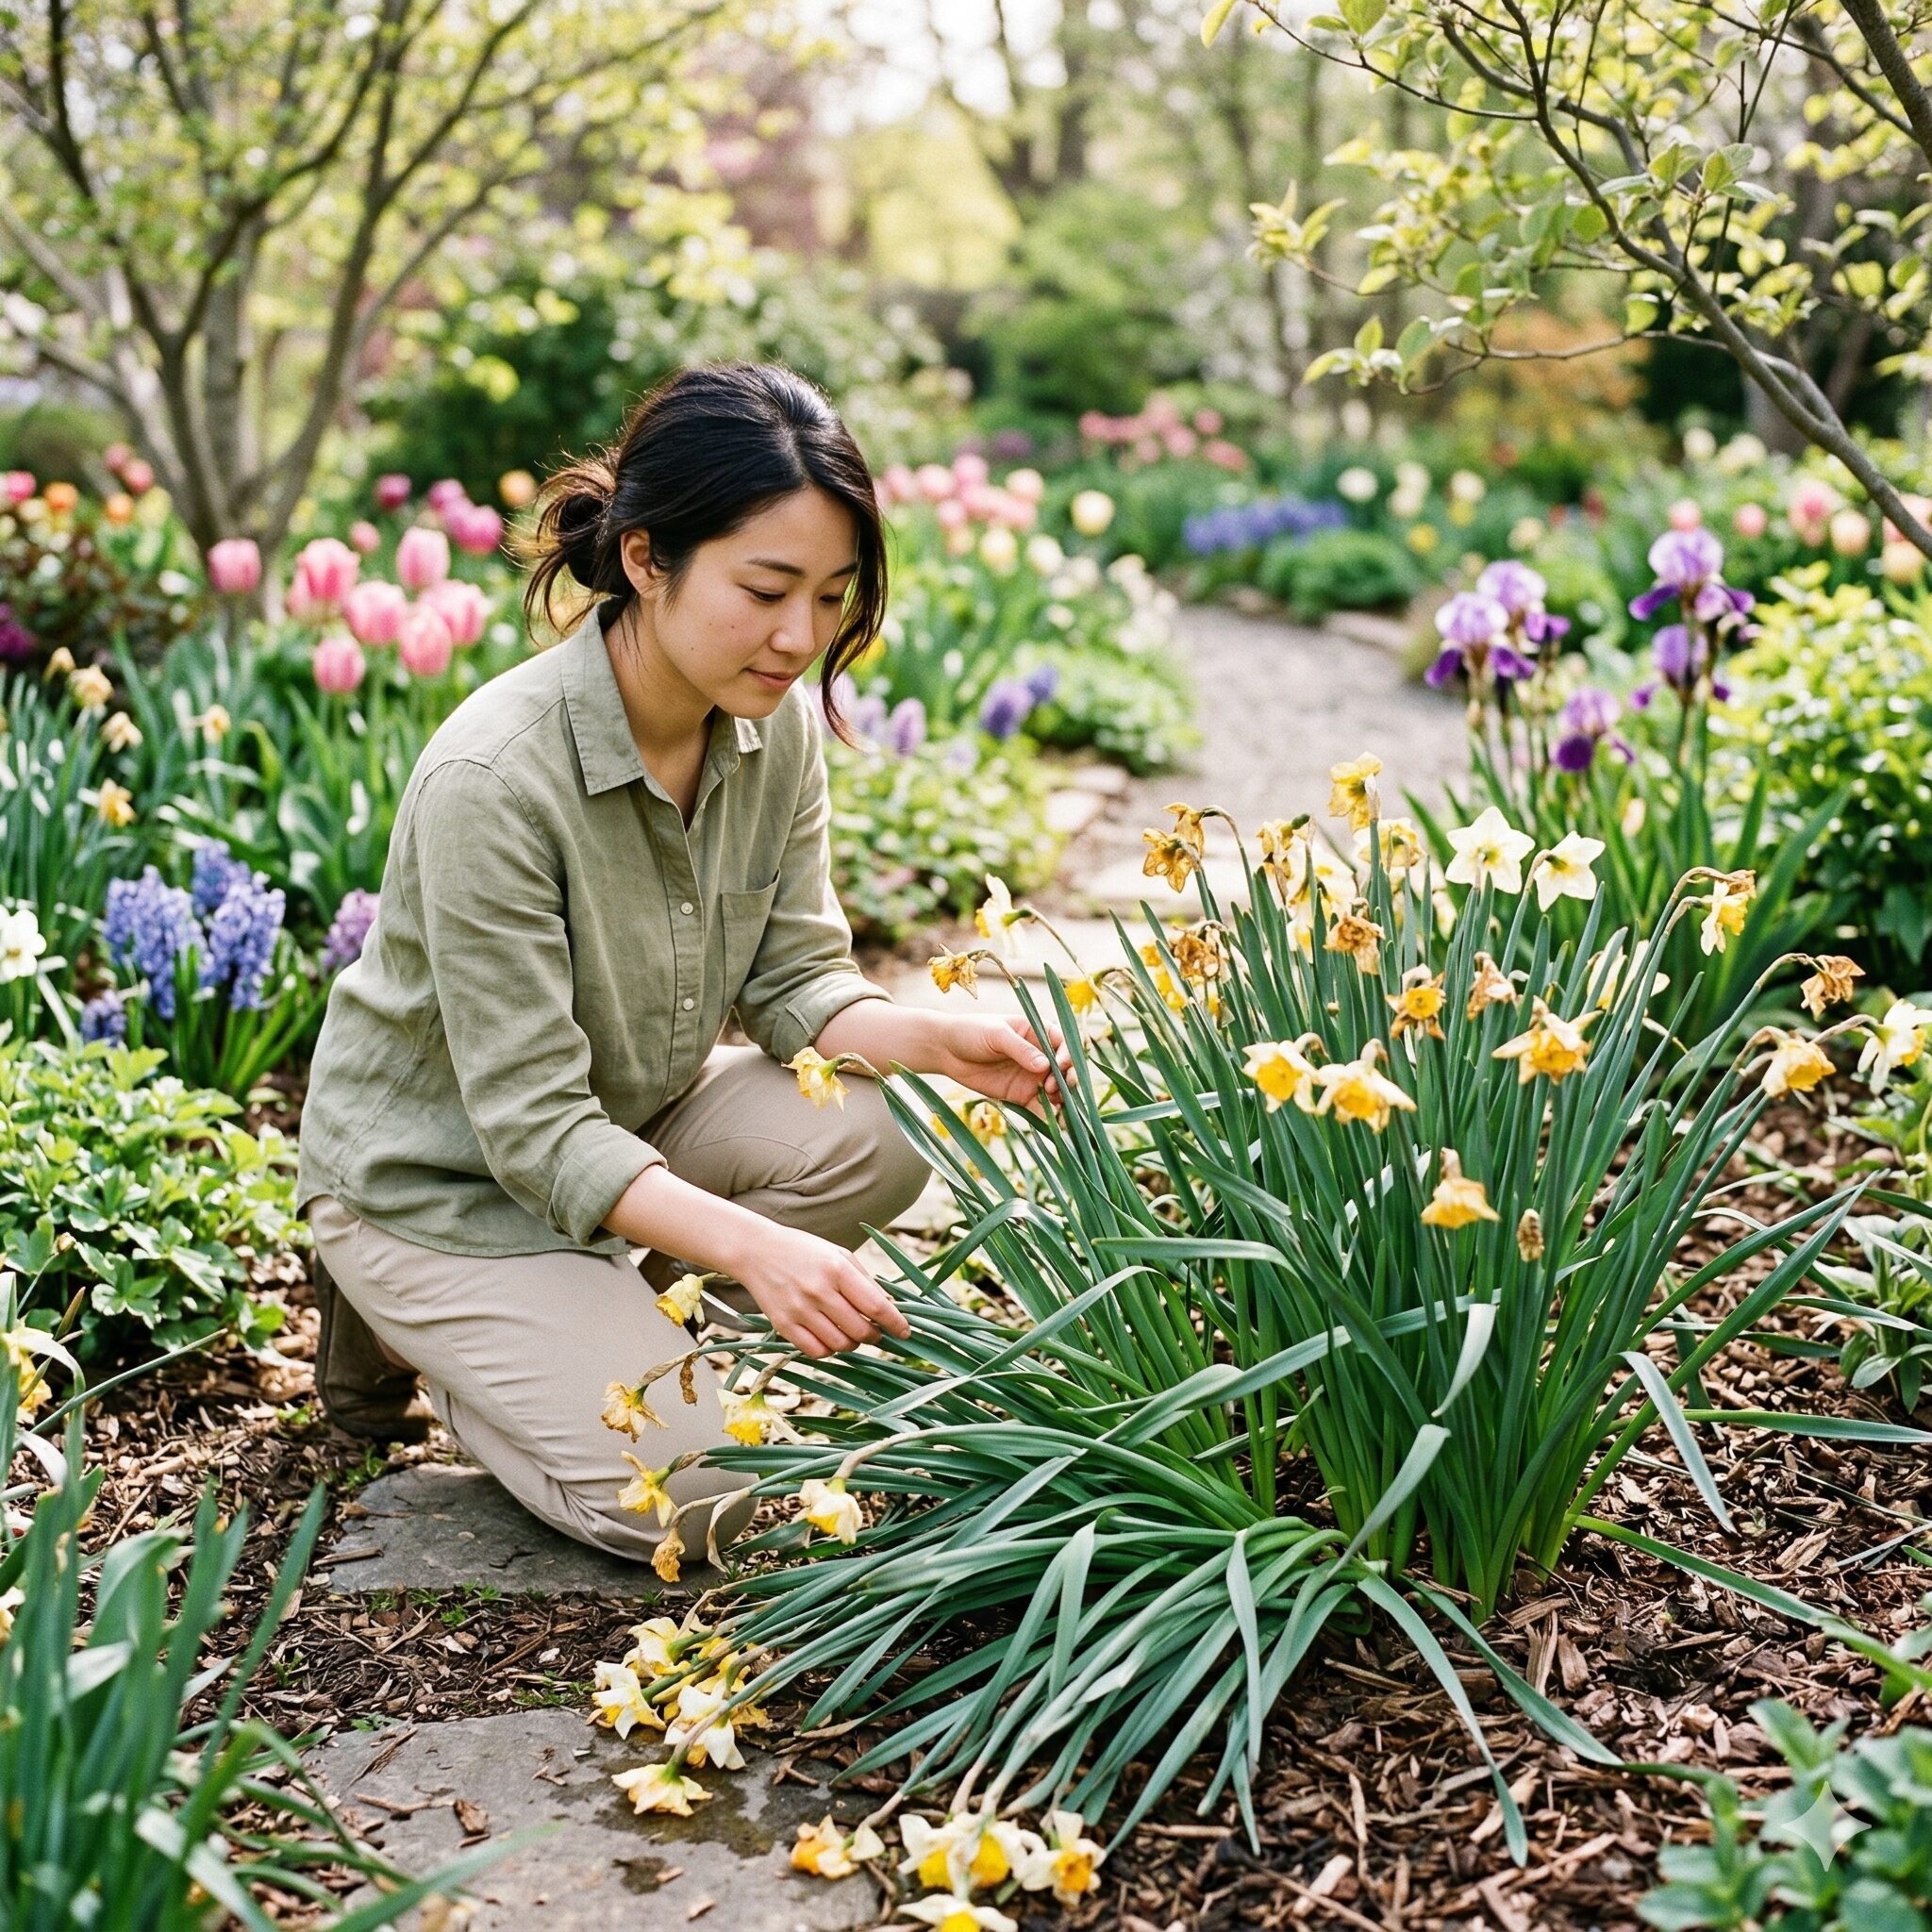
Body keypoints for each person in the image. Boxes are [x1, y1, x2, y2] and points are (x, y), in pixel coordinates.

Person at [296, 362, 1068, 1560]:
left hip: (622, 1128)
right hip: (444, 1182)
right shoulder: (492, 780)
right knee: (699, 1502)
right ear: (647, 558)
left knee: (876, 1132)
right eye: (765, 589)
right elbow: (534, 1130)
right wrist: (756, 1248)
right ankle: (453, 1354)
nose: (800, 637)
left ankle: (589, 1333)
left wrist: (933, 1037)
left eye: (829, 594)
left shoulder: (773, 725)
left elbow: (795, 985)